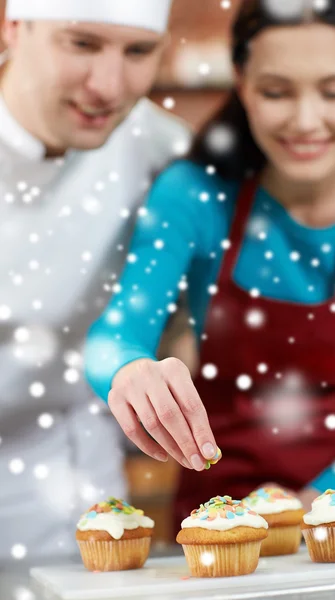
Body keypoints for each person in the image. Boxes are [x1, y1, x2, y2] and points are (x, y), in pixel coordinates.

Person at [85, 0, 335, 532]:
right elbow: (117, 332)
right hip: (219, 524)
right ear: (241, 80)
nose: (306, 121)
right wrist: (128, 371)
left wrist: (319, 499)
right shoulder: (194, 196)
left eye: (334, 91)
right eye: (276, 92)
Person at [0, 0, 191, 560]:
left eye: (138, 51)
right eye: (81, 43)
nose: (108, 86)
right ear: (12, 24)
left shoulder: (165, 152)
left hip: (71, 493)